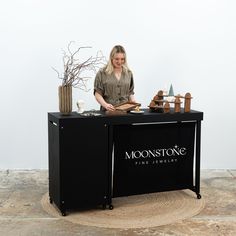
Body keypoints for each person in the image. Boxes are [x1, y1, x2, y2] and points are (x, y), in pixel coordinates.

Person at [94, 45, 136, 111]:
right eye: (117, 59)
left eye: (122, 59)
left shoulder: (128, 73)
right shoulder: (102, 73)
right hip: (108, 111)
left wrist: (134, 102)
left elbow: (130, 92)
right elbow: (97, 93)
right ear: (111, 58)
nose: (119, 62)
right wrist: (105, 105)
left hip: (126, 112)